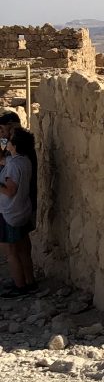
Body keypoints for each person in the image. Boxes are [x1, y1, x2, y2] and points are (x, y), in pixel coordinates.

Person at [0, 127, 36, 298]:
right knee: (23, 249)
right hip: (22, 210)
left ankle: (19, 286)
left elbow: (9, 190)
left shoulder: (13, 164)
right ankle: (29, 281)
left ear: (15, 144)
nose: (7, 139)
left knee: (11, 252)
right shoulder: (24, 160)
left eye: (10, 138)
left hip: (9, 213)